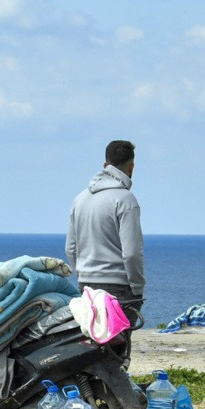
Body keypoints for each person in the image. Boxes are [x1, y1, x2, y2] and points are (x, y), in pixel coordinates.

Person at [66, 140, 145, 351]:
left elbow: (70, 248)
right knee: (117, 352)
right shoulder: (126, 200)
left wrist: (83, 274)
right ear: (131, 167)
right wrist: (137, 287)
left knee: (91, 351)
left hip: (87, 285)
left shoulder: (80, 199)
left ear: (105, 165)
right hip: (119, 287)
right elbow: (131, 253)